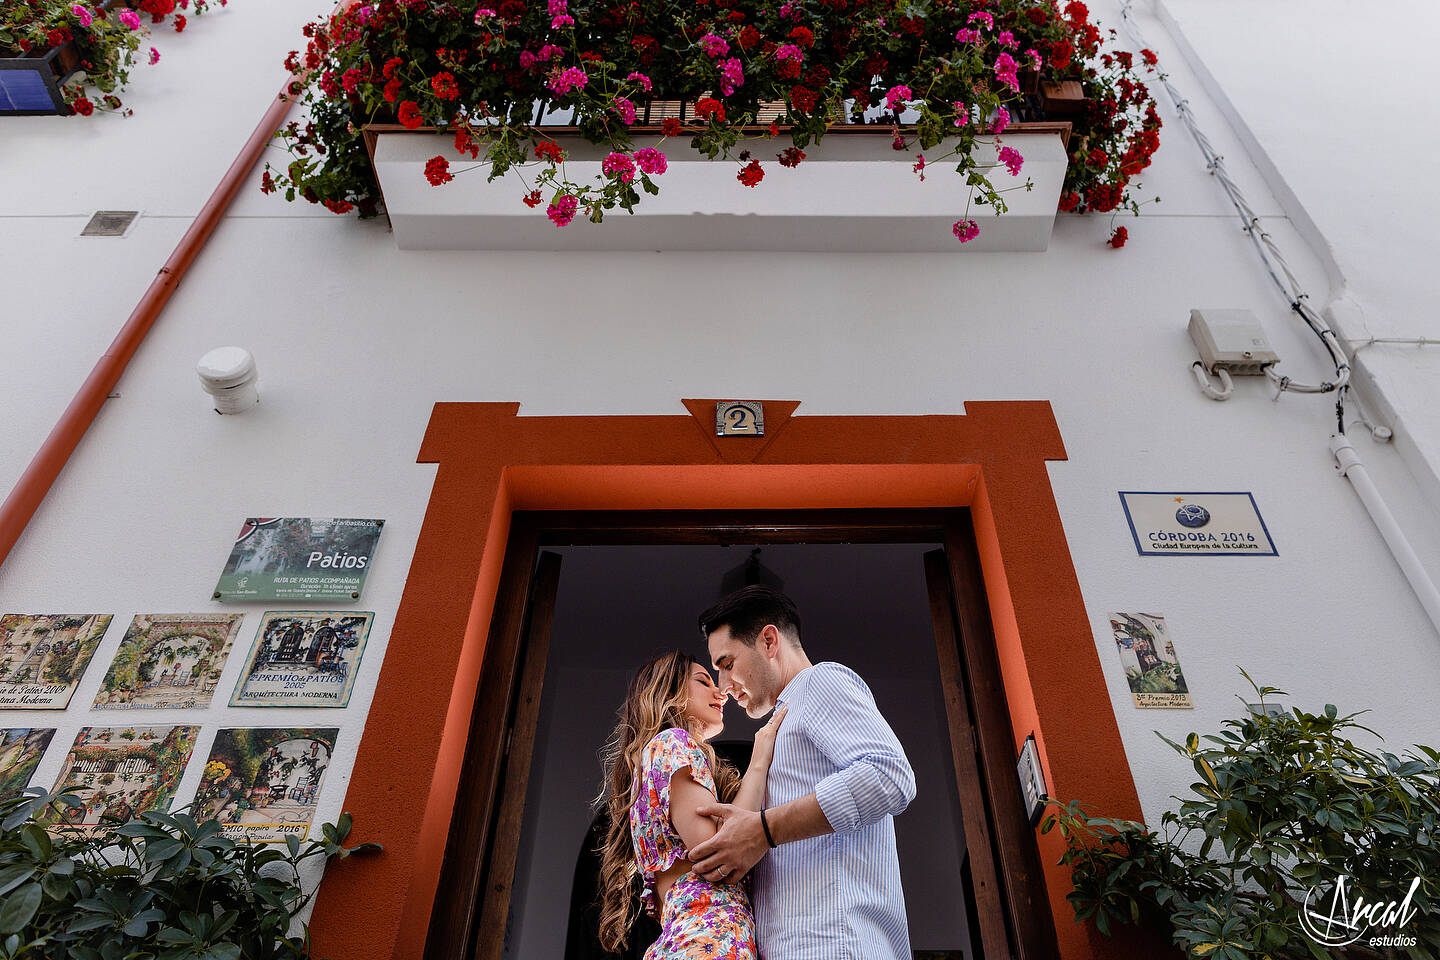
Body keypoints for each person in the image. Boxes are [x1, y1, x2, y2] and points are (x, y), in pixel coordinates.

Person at [688, 585, 917, 960]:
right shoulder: (787, 716)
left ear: (768, 641)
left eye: (728, 664)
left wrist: (764, 829)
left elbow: (889, 775)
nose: (725, 687)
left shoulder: (819, 683)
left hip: (836, 945)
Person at [595, 650, 787, 959]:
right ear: (669, 692)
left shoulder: (656, 762)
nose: (720, 692)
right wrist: (760, 758)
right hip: (705, 944)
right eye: (703, 681)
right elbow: (718, 853)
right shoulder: (673, 742)